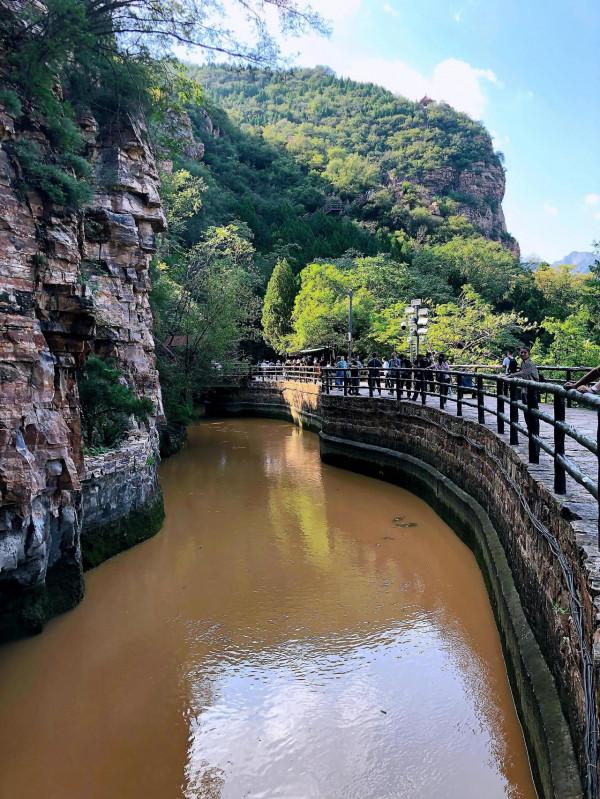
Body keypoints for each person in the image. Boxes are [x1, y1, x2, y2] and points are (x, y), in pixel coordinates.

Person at [507, 347, 539, 427]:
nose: (523, 354)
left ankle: (533, 427)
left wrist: (511, 375)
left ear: (529, 354)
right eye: (521, 353)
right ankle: (529, 426)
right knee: (525, 408)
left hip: (531, 389)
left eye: (525, 352)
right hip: (525, 388)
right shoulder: (523, 362)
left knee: (532, 409)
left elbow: (524, 373)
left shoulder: (529, 363)